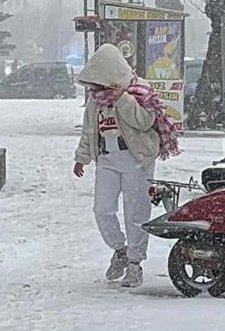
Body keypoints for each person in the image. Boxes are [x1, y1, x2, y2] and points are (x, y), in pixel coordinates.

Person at [73, 44, 180, 288]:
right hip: (107, 158)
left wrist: (122, 98)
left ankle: (135, 263)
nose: (96, 88)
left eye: (99, 83)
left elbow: (144, 122)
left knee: (136, 212)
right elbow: (89, 130)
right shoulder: (95, 100)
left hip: (136, 158)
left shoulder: (139, 91)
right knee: (102, 209)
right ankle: (120, 250)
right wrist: (82, 156)